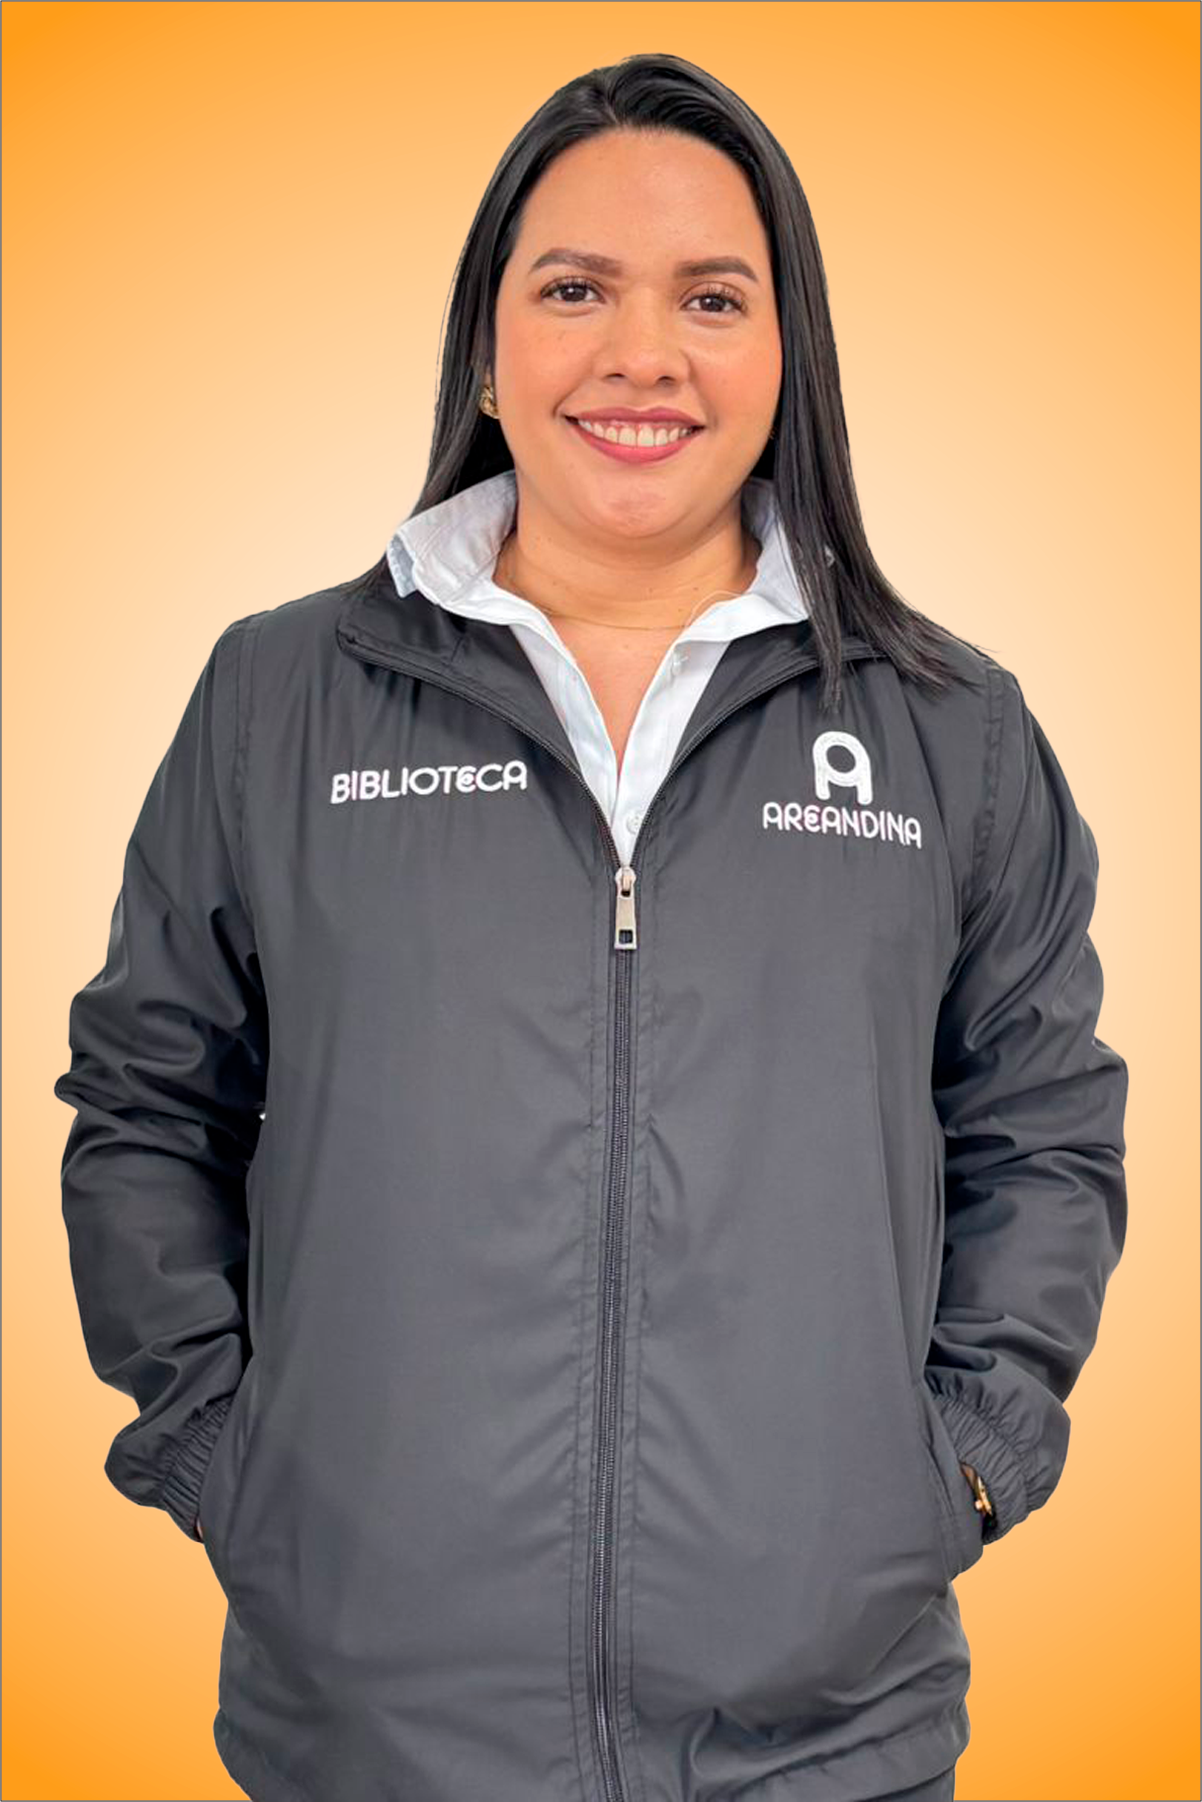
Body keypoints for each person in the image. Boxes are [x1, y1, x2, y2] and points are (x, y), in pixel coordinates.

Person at [53, 51, 1128, 1802]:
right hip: (370, 1735)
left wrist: (970, 1453)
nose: (643, 353)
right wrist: (220, 1452)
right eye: (573, 290)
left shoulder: (954, 733)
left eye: (710, 297)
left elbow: (1040, 1128)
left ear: (785, 353)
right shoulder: (278, 697)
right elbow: (147, 1101)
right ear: (488, 347)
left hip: (830, 1739)